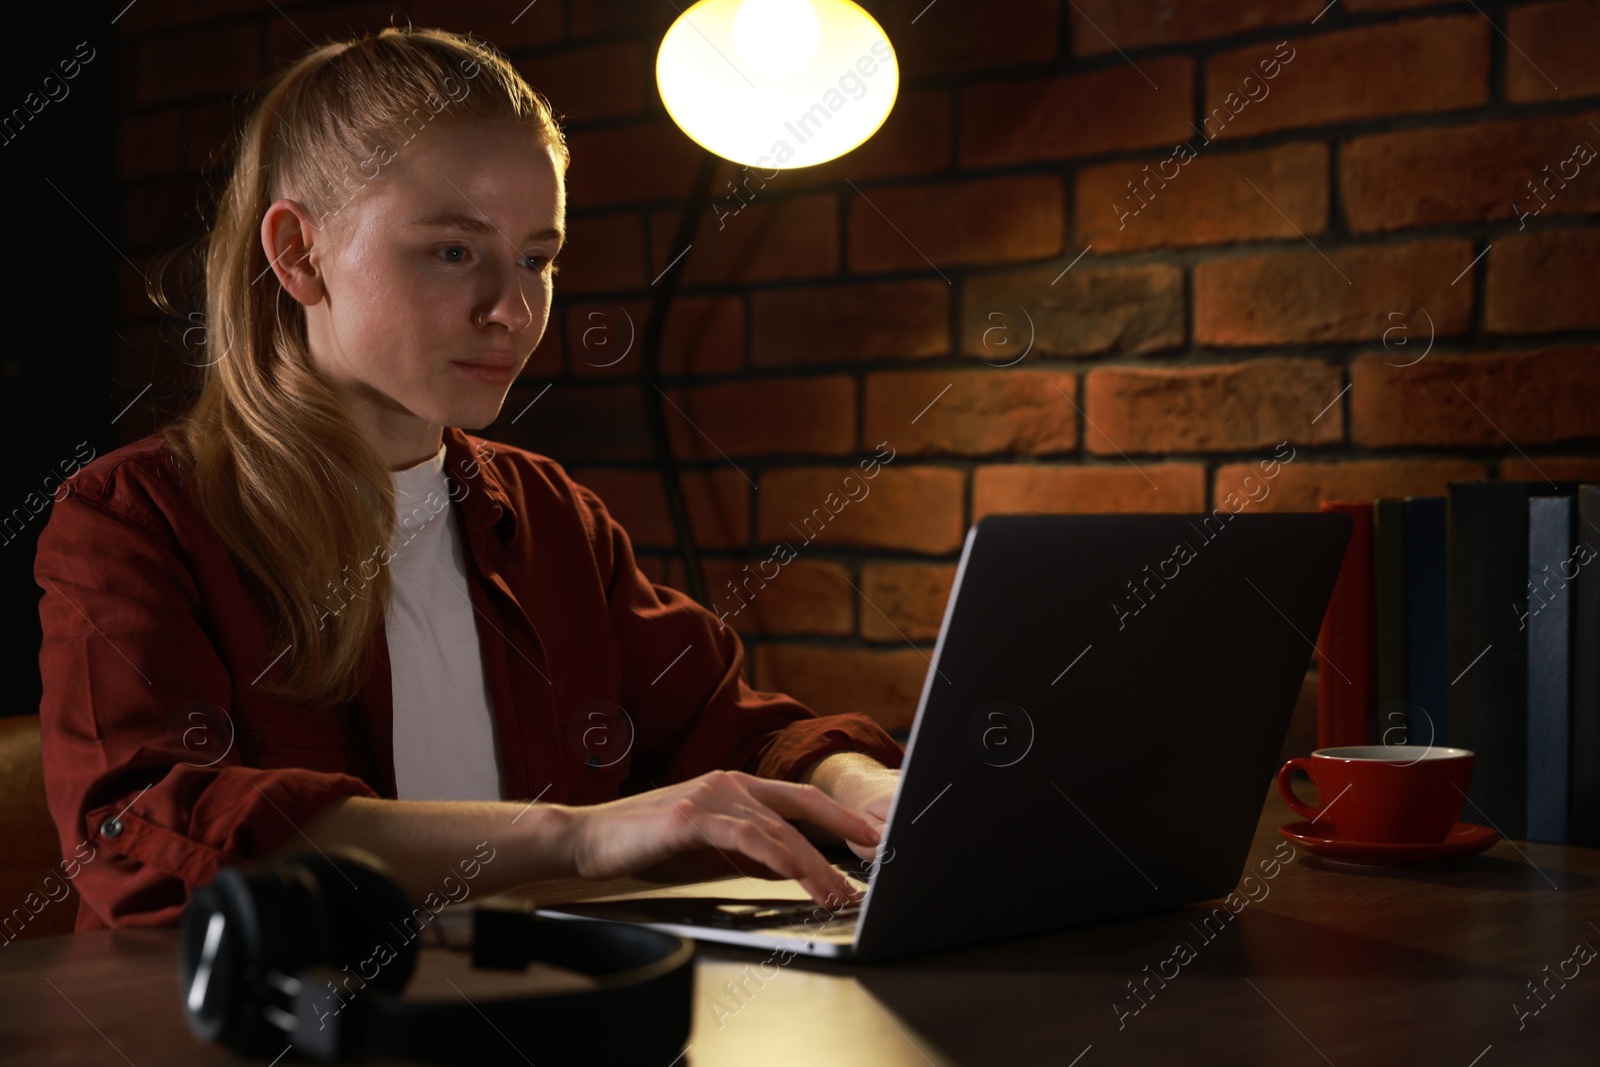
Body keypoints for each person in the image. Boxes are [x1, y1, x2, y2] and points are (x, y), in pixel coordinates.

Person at [34, 25, 904, 933]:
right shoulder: (134, 520)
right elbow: (141, 827)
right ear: (298, 253)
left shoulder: (551, 516)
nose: (513, 309)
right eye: (454, 250)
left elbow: (726, 730)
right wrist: (576, 837)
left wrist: (858, 784)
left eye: (537, 257)